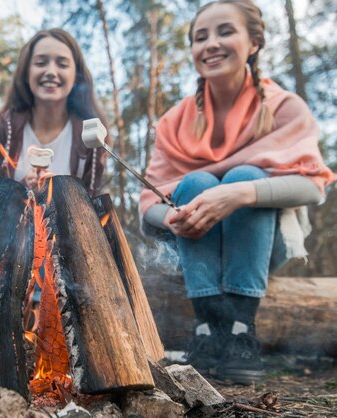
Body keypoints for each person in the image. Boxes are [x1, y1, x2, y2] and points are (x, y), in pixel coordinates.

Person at [140, 0, 336, 384]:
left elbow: (312, 187)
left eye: (225, 31)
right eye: (200, 37)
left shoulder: (283, 106)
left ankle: (241, 329)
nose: (211, 44)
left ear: (254, 42)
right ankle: (206, 330)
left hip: (266, 249)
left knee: (246, 175)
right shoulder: (174, 122)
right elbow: (149, 201)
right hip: (197, 251)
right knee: (195, 183)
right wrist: (172, 219)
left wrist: (240, 194)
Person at [0, 28, 108, 197]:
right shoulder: (1, 129)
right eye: (41, 63)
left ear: (76, 76)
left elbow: (91, 210)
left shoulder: (91, 134)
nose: (50, 72)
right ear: (26, 73)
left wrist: (61, 194)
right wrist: (23, 190)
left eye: (62, 64)